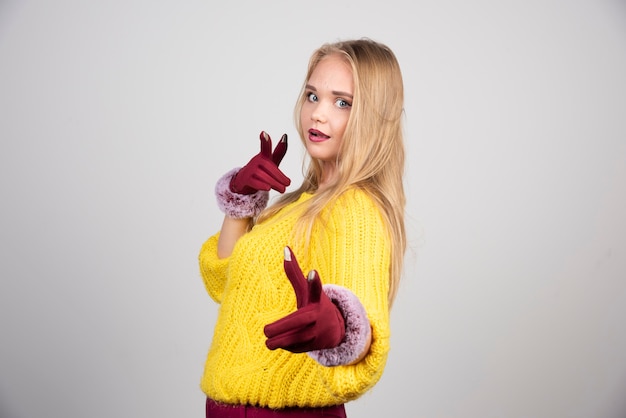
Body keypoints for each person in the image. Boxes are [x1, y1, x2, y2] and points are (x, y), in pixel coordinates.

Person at [198, 37, 406, 417]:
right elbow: (223, 284)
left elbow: (366, 333)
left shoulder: (356, 209)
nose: (318, 114)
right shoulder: (297, 203)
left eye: (342, 102)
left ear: (373, 116)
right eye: (313, 96)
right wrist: (240, 202)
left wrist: (341, 330)